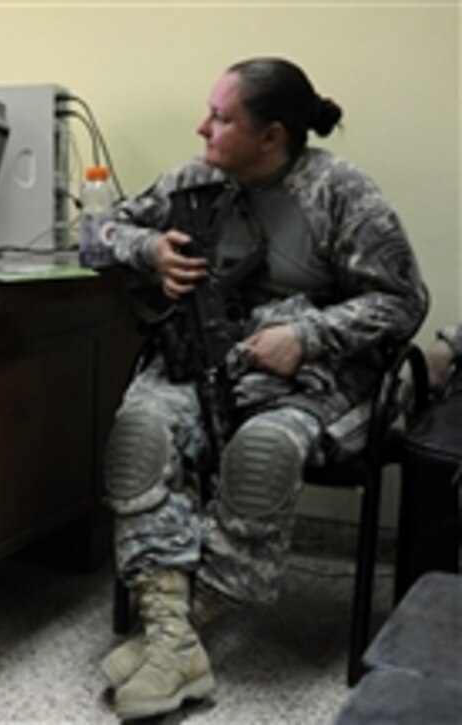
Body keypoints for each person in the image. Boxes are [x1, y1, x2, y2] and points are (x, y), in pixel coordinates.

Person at [97, 58, 428, 720]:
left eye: (221, 118)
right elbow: (94, 231)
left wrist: (308, 337)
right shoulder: (194, 181)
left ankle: (169, 636)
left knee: (262, 452)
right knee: (138, 433)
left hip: (311, 376)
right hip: (201, 361)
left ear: (271, 135)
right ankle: (174, 642)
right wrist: (150, 251)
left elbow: (402, 301)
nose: (203, 127)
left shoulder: (341, 192)